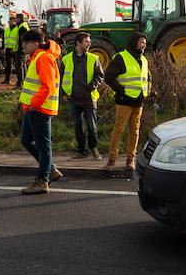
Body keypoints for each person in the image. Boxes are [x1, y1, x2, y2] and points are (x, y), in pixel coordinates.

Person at [18, 28, 62, 195]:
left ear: (36, 44)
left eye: (26, 43)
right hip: (33, 108)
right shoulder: (36, 57)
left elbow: (48, 85)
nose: (23, 46)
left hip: (40, 109)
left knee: (44, 147)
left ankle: (43, 180)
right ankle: (50, 170)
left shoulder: (43, 58)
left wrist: (34, 104)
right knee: (26, 140)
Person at [103, 32, 151, 172]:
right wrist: (122, 92)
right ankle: (111, 161)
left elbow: (148, 77)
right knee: (118, 131)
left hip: (138, 101)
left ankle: (130, 160)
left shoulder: (143, 59)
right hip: (124, 101)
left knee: (135, 132)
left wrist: (147, 91)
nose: (144, 45)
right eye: (141, 42)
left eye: (145, 43)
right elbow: (109, 77)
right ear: (134, 42)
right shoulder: (121, 57)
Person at [61, 32, 105, 159]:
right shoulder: (66, 59)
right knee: (77, 126)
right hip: (73, 98)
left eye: (89, 41)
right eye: (86, 41)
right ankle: (82, 151)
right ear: (78, 43)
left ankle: (93, 148)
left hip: (89, 97)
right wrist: (64, 94)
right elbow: (62, 78)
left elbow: (100, 75)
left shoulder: (93, 58)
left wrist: (91, 86)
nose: (89, 44)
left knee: (92, 126)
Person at [2, 13, 25, 84]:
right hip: (7, 49)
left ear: (15, 21)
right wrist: (3, 48)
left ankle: (20, 81)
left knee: (17, 65)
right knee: (8, 65)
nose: (11, 23)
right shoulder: (6, 29)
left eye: (12, 21)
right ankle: (7, 79)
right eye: (10, 21)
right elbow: (4, 39)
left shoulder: (17, 29)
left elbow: (17, 40)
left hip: (14, 49)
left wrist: (13, 48)